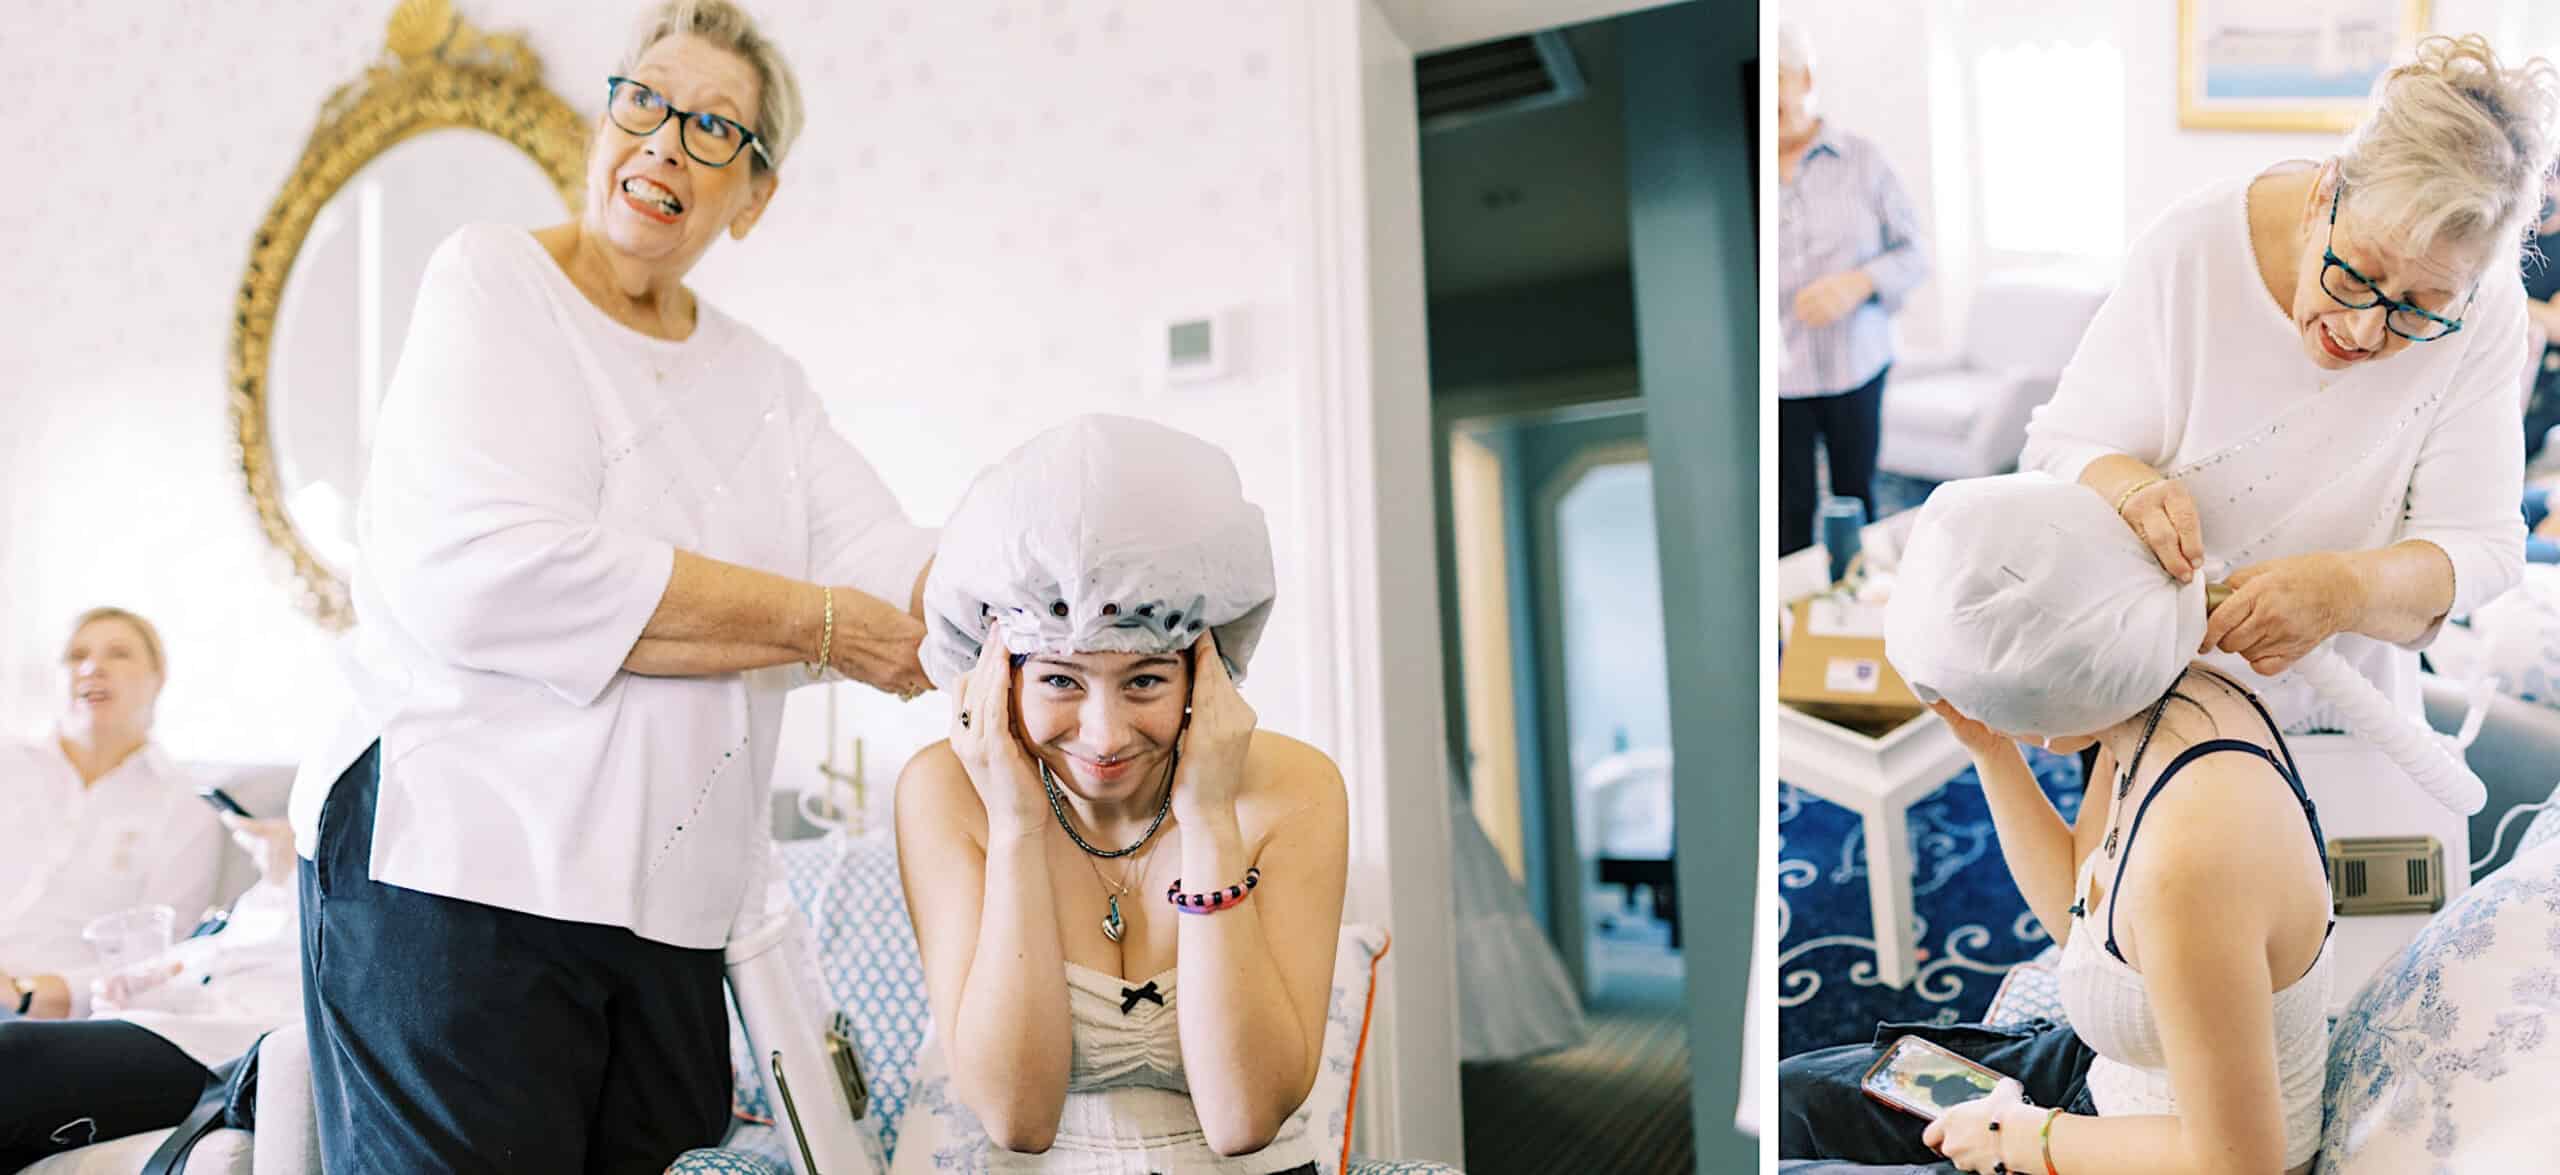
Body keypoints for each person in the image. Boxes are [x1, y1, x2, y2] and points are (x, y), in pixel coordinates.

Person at [288, 2, 939, 1168]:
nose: (663, 143)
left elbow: (889, 558)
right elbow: (491, 574)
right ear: (603, 120)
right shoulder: (493, 279)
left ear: (753, 194)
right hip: (452, 873)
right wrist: (822, 625)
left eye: (712, 128)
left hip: (667, 917)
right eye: (643, 99)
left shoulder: (766, 383)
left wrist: (1059, 596)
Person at [1779, 474, 2333, 1175]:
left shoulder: (2192, 859)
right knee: (1791, 1098)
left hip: (2166, 1151)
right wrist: (1990, 748)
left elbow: (2237, 1162)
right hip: (2112, 1085)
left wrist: (2019, 1136)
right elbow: (2084, 917)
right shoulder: (2155, 692)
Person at [2021, 35, 2560, 732]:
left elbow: (2483, 548)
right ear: (2323, 195)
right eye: (2357, 274)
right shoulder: (2191, 249)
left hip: (2351, 703)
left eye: (2418, 308)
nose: (2367, 330)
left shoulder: (2485, 310)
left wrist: (2344, 591)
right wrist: (2130, 487)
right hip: (2154, 687)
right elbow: (2058, 445)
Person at [892, 416, 1347, 1173]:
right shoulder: (943, 793)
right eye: (1061, 680)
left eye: (1144, 680)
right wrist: (1014, 825)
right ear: (997, 675)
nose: (1104, 737)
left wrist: (1207, 820)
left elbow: (1243, 1117)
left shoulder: (1297, 790)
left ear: (1208, 671)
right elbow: (1016, 1115)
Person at [0, 814, 303, 1169]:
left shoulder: (340, 856)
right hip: (182, 1019)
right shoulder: (274, 885)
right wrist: (146, 982)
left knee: (14, 1057)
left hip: (229, 1043)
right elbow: (220, 950)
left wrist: (294, 874)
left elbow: (287, 965)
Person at [1, 607, 221, 1024]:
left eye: (118, 654)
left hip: (60, 1020)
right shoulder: (7, 767)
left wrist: (25, 994)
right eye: (76, 655)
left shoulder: (185, 809)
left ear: (158, 678)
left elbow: (159, 963)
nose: (92, 667)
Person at [1776, 17, 1931, 557]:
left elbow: (1915, 253)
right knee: (1786, 514)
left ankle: (1854, 615)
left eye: (1780, 80)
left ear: (1805, 78)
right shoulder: (1736, 164)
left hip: (1856, 365)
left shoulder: (1864, 161)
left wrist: (1859, 282)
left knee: (1856, 498)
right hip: (1778, 379)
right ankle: (1786, 634)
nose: (1772, 101)